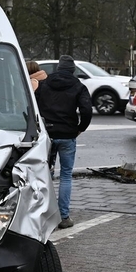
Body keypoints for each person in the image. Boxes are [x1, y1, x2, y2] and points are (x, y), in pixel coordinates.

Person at [34, 54, 92, 229]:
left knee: (45, 175)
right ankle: (64, 216)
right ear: (72, 70)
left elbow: (34, 105)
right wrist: (81, 127)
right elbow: (87, 110)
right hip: (67, 135)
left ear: (58, 68)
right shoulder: (78, 86)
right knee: (66, 175)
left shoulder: (45, 84)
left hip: (48, 134)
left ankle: (44, 214)